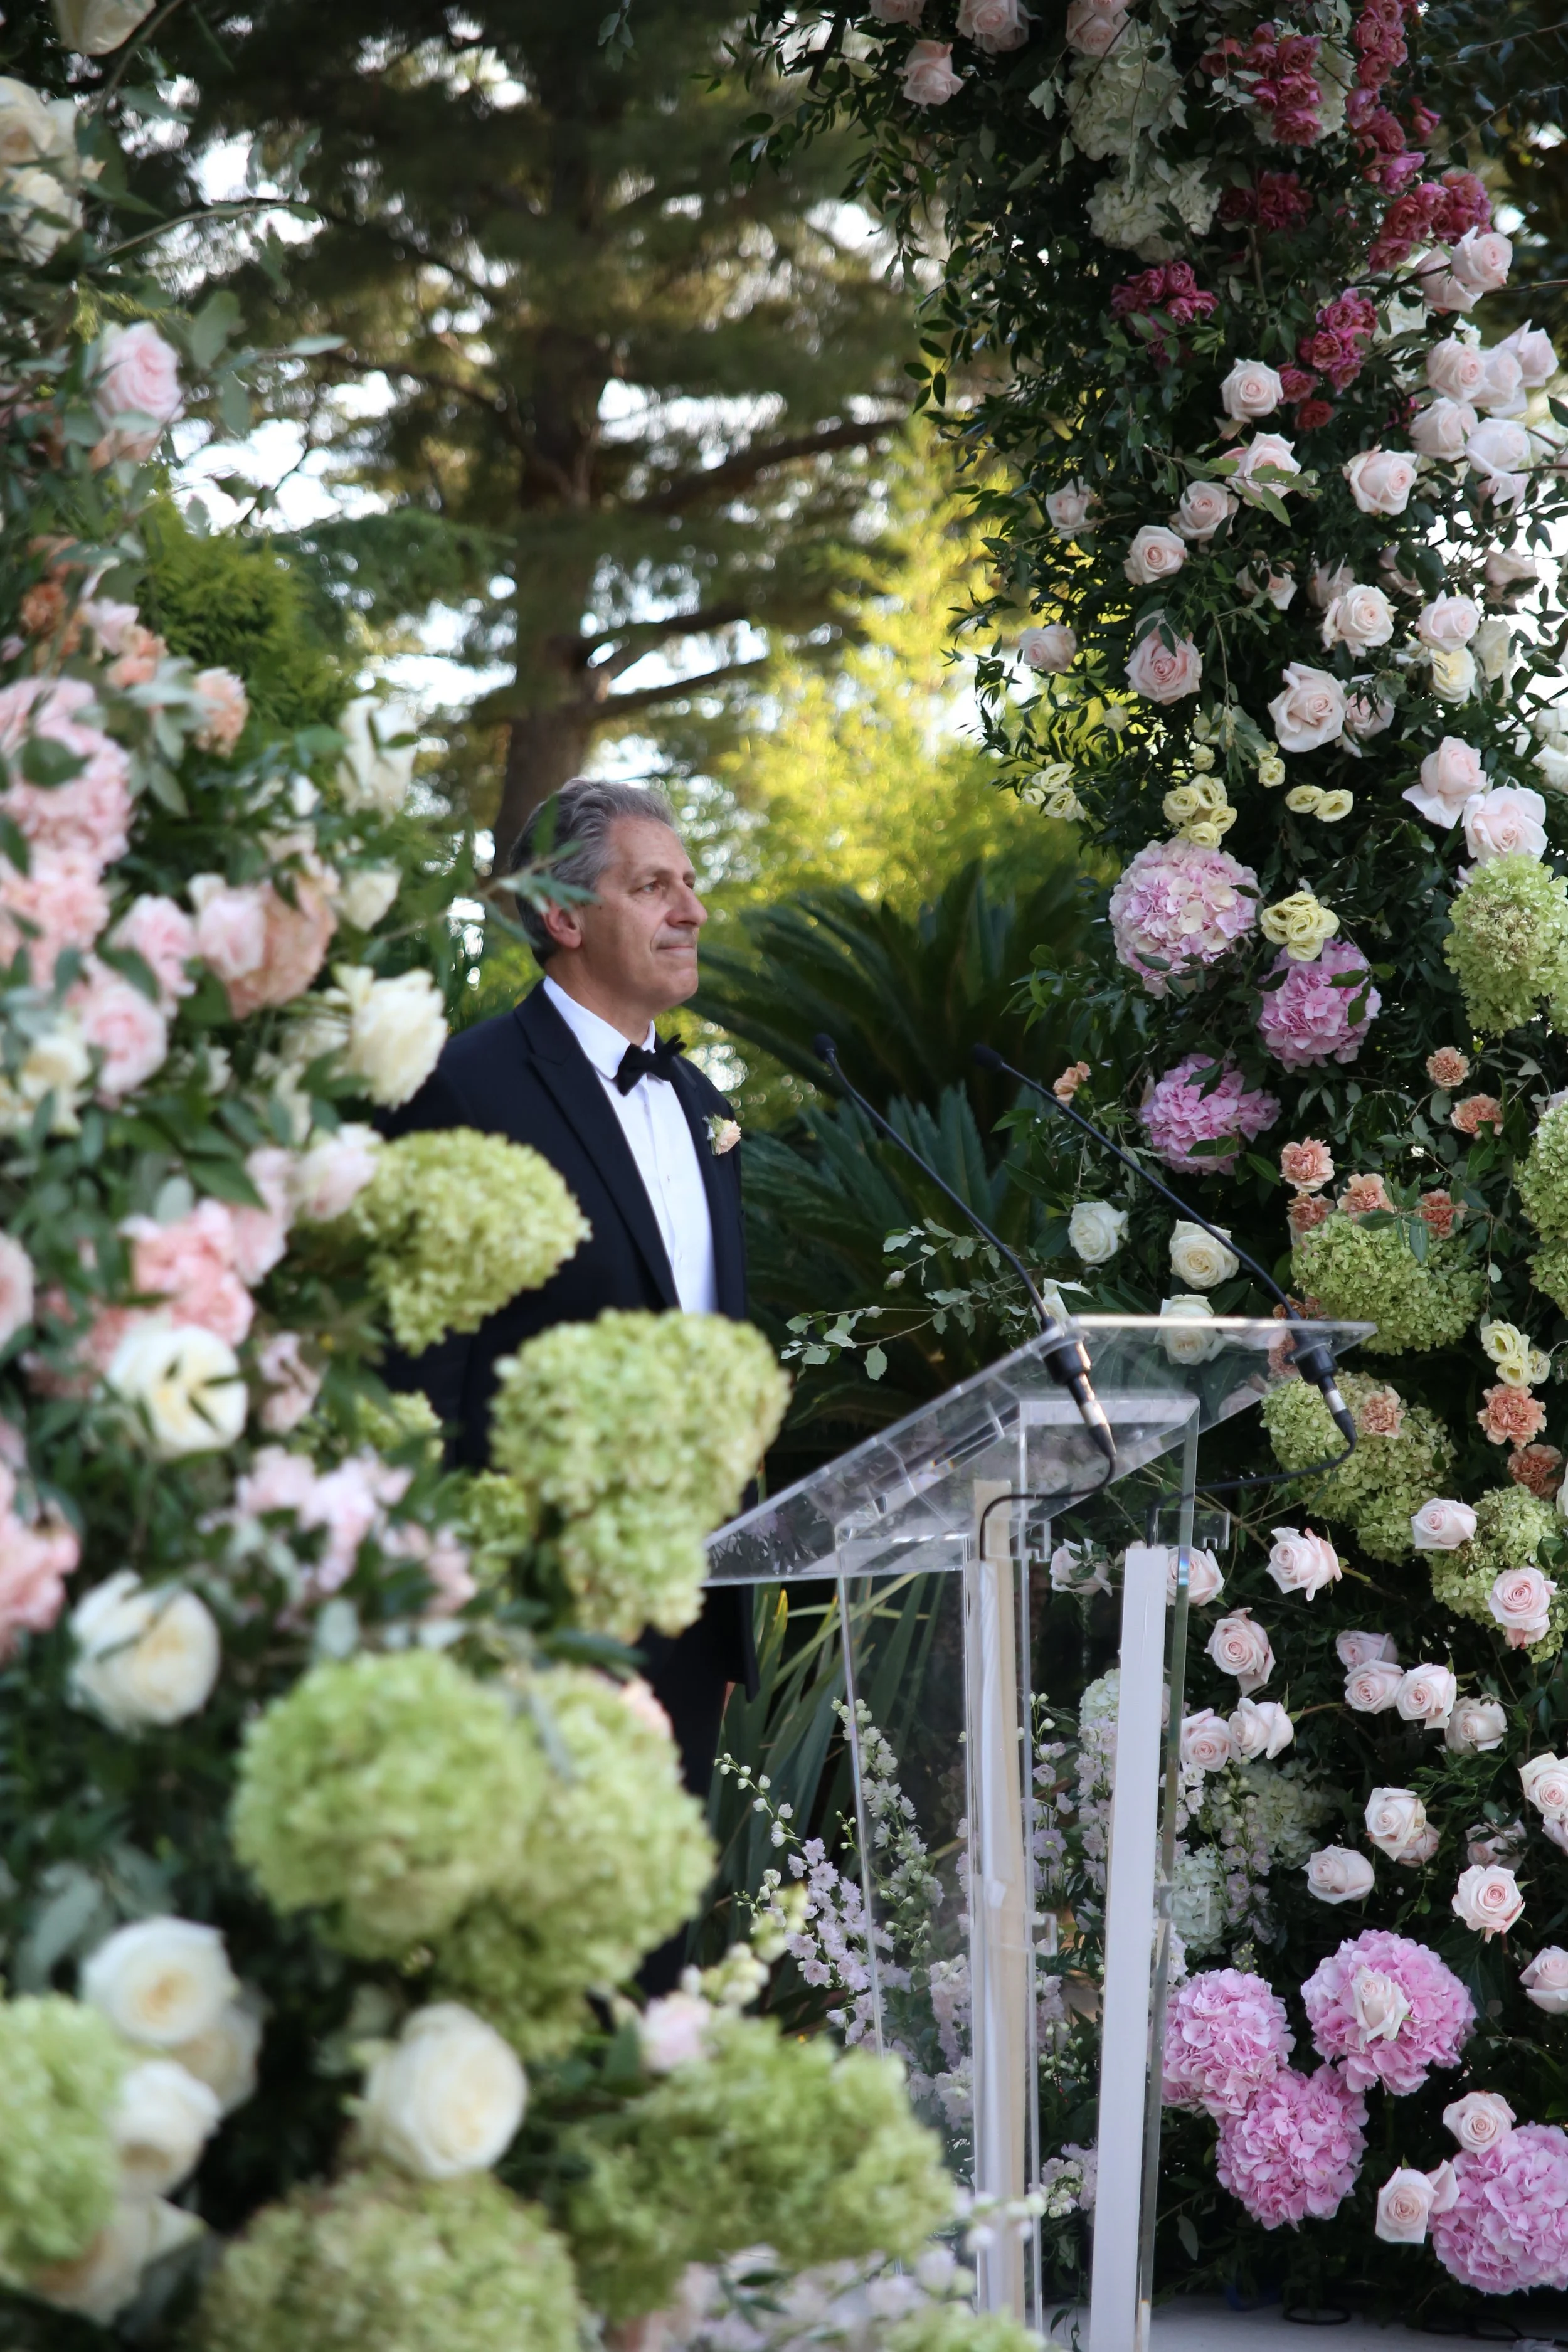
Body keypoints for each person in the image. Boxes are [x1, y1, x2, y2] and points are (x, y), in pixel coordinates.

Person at [383, 776, 755, 1820]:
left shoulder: (704, 1109)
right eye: (654, 886)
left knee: (661, 1955)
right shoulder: (464, 1087)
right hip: (533, 1624)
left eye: (689, 883)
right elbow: (422, 1379)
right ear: (563, 914)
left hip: (691, 1611)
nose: (692, 910)